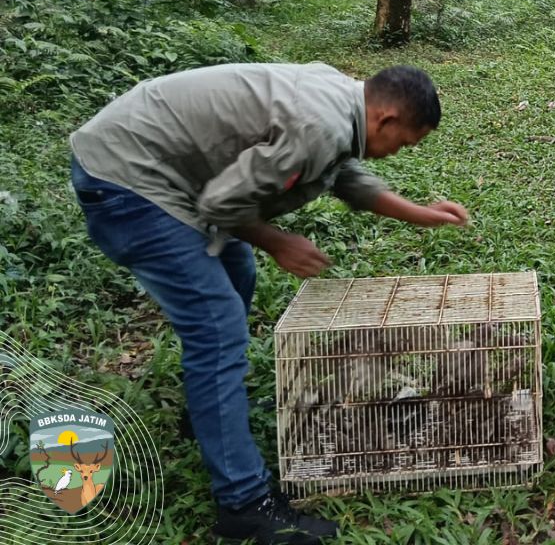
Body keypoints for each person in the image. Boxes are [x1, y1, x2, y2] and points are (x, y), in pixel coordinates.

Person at [68, 63, 469, 543]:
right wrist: (278, 241)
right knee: (217, 328)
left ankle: (210, 417)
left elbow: (342, 174)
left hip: (161, 164)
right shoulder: (319, 126)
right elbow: (220, 207)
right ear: (384, 119)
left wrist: (419, 214)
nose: (397, 152)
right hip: (130, 180)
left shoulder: (343, 101)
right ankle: (244, 504)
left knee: (237, 271)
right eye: (403, 142)